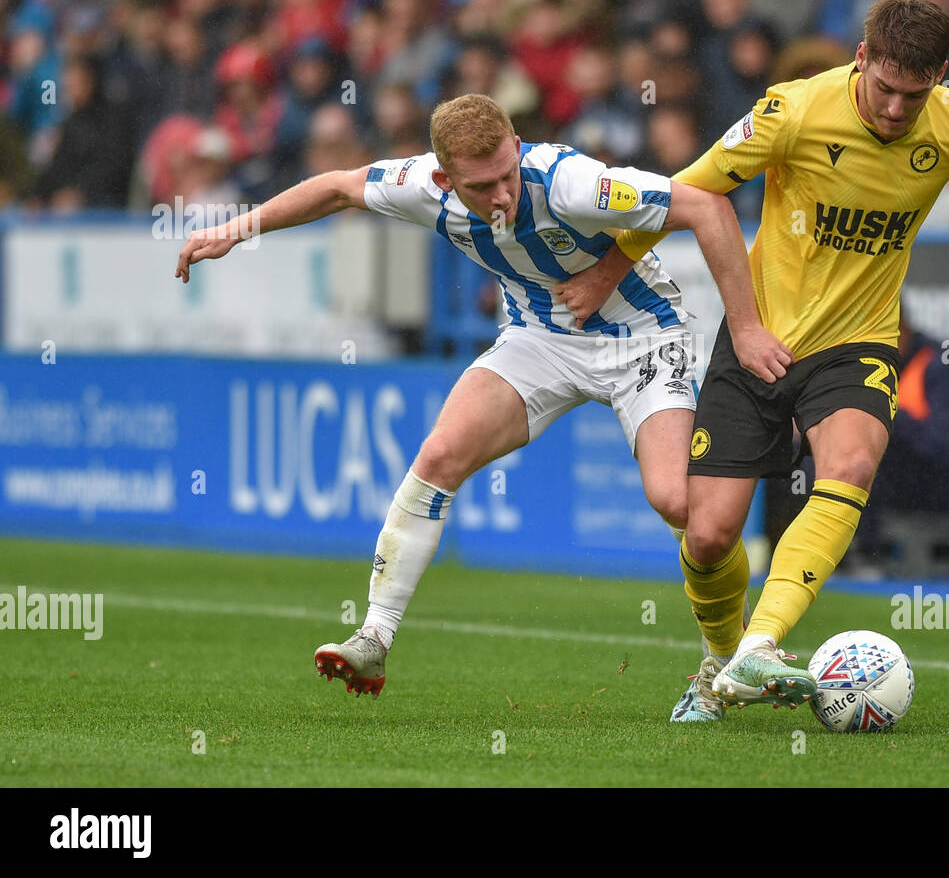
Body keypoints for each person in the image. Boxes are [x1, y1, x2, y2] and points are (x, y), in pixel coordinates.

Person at [558, 0, 949, 721]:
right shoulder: (793, 112)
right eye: (885, 89)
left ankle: (761, 643)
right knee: (708, 532)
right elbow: (689, 191)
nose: (898, 110)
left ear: (939, 77)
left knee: (852, 464)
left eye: (916, 93)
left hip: (860, 339)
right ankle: (718, 661)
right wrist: (607, 269)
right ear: (861, 60)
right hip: (760, 337)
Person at [174, 93, 791, 698]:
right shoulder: (419, 184)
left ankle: (726, 653)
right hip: (539, 339)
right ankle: (373, 637)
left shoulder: (574, 183)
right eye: (480, 187)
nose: (500, 195)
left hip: (642, 339)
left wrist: (744, 328)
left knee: (677, 502)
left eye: (506, 176)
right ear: (444, 177)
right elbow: (337, 186)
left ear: (518, 148)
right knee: (440, 455)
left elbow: (706, 208)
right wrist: (237, 228)